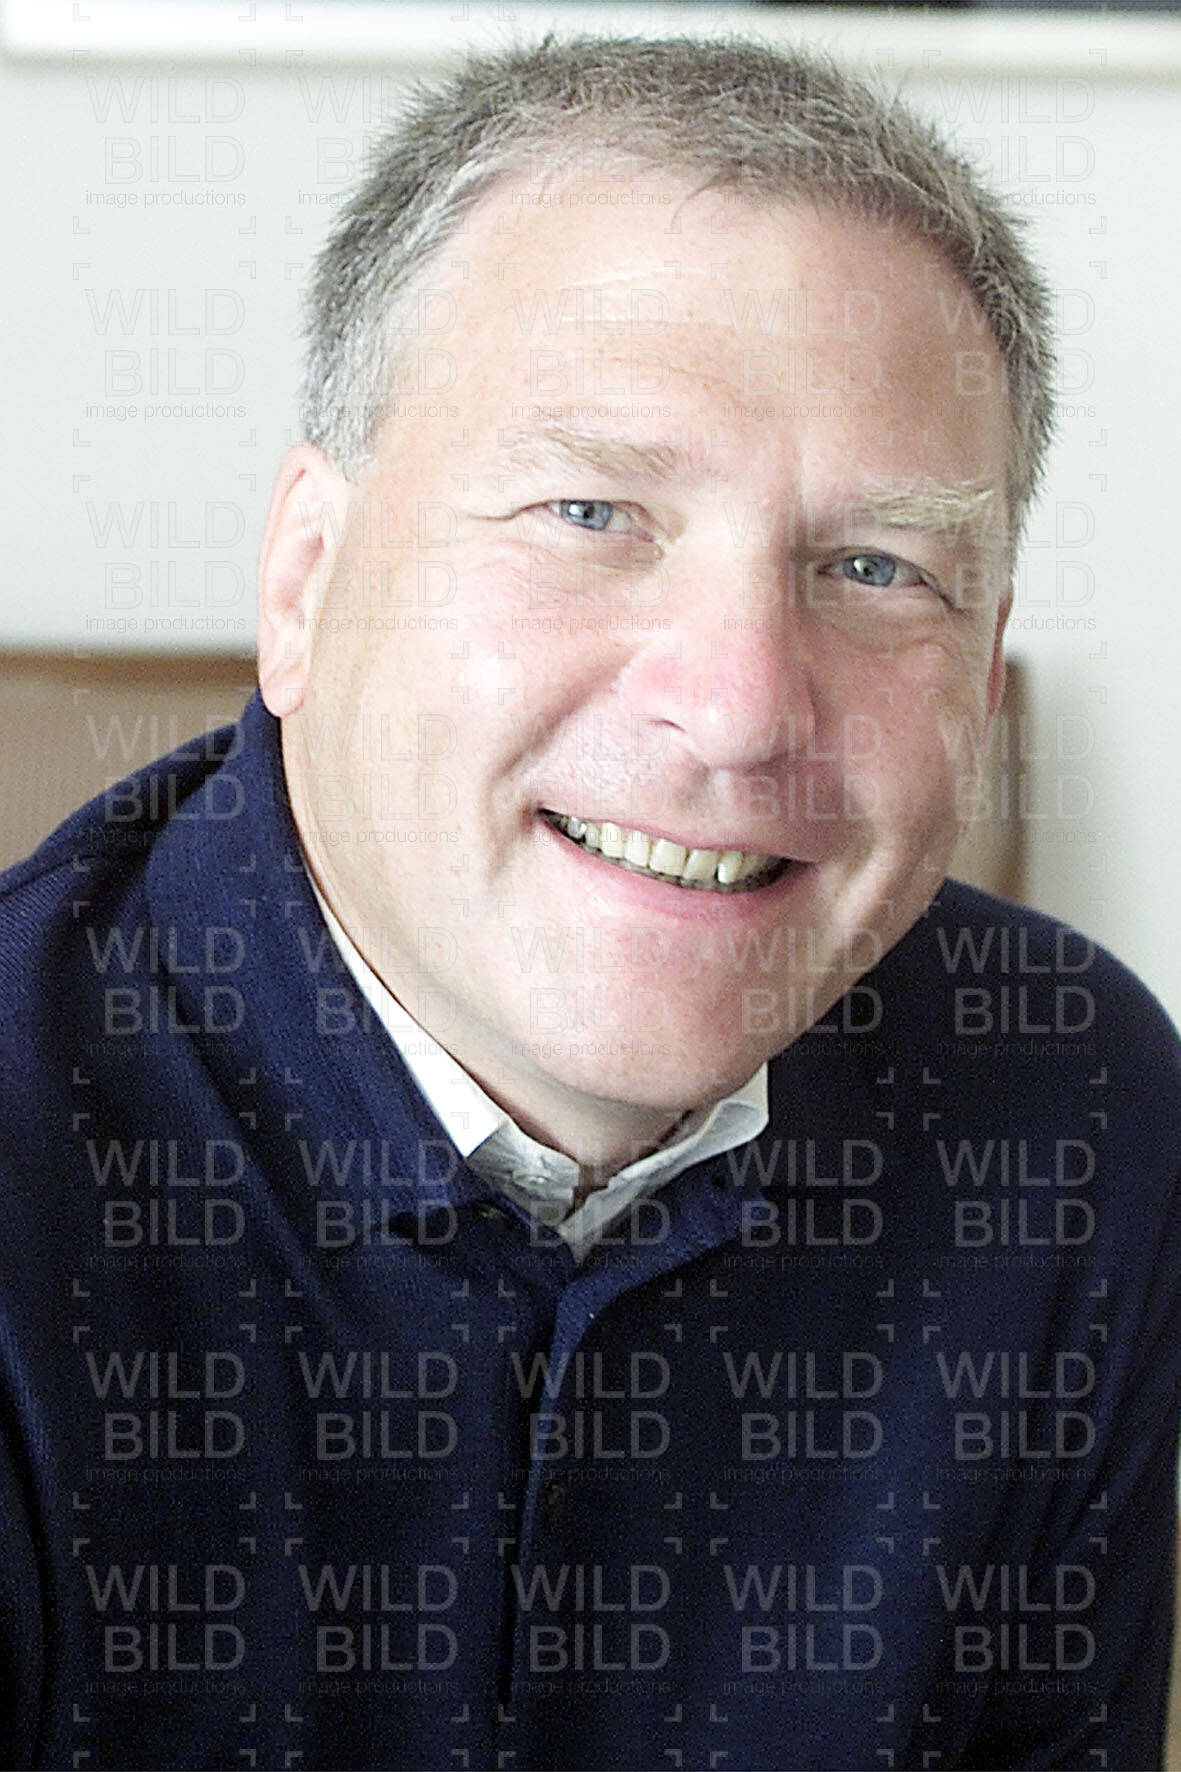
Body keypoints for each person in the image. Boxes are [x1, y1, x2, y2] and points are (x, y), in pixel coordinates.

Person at [0, 34, 1177, 1772]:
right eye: (590, 511)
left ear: (981, 661)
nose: (742, 706)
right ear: (307, 579)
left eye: (877, 568)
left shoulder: (1074, 1111)